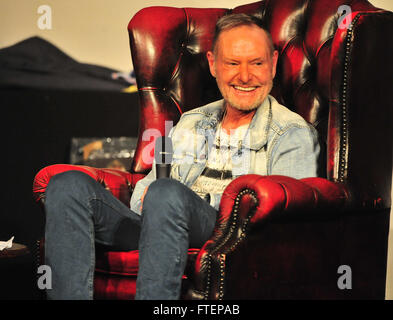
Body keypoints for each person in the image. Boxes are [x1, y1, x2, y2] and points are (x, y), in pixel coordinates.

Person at [44, 13, 320, 300]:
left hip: (227, 233)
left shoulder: (291, 133)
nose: (245, 76)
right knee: (66, 185)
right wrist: (159, 205)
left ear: (273, 64)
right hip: (160, 222)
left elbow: (287, 225)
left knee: (166, 194)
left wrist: (173, 199)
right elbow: (146, 190)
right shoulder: (191, 121)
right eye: (233, 63)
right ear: (213, 64)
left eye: (257, 63)